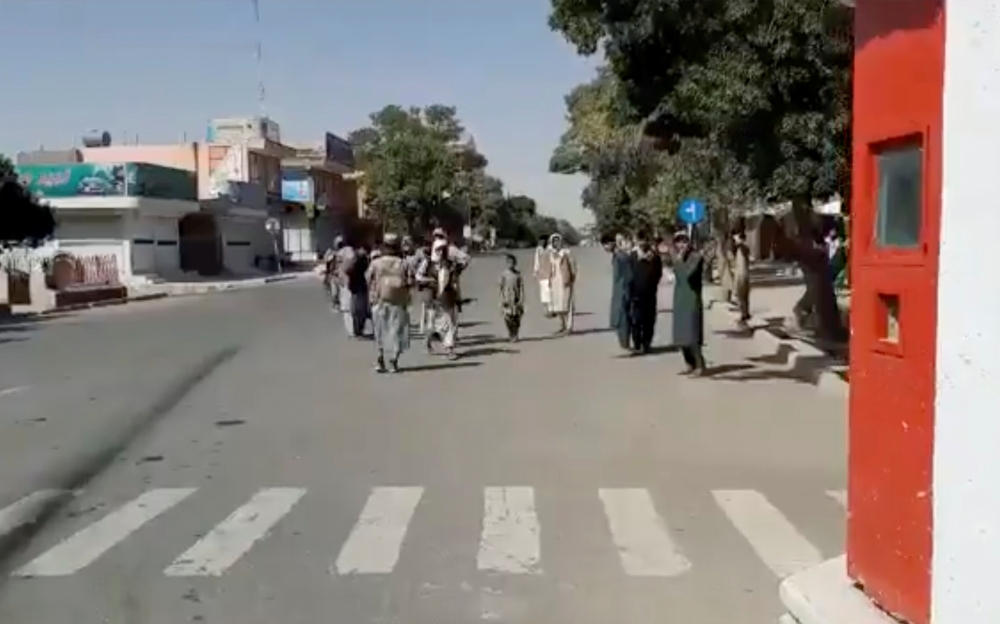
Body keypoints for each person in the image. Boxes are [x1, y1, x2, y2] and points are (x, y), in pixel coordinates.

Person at [366, 234, 411, 373]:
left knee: (380, 331)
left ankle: (380, 359)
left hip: (380, 301)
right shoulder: (403, 263)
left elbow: (368, 279)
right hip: (399, 303)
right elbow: (410, 281)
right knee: (397, 332)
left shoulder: (376, 263)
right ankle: (394, 361)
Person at [670, 230, 707, 376]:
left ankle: (699, 364)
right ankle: (689, 363)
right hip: (679, 298)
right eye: (678, 242)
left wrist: (679, 261)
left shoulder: (696, 257)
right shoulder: (677, 258)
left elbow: (688, 275)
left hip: (692, 299)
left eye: (684, 241)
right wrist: (677, 260)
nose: (681, 245)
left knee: (692, 334)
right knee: (681, 335)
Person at [417, 238, 460, 359]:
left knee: (449, 323)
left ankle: (450, 349)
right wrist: (429, 280)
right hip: (431, 297)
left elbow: (454, 281)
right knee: (431, 324)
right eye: (438, 250)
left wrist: (457, 296)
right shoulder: (428, 263)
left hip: (446, 297)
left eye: (443, 250)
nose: (440, 252)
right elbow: (418, 276)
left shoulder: (450, 264)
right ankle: (428, 343)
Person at [629, 233, 663, 354]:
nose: (643, 243)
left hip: (650, 293)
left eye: (645, 240)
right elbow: (628, 274)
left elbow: (659, 273)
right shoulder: (632, 257)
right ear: (637, 241)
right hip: (635, 294)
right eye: (641, 240)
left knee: (649, 320)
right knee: (636, 320)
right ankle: (637, 344)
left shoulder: (655, 257)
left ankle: (647, 343)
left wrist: (652, 284)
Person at [604, 233, 634, 351]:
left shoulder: (621, 257)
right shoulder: (617, 256)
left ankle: (625, 343)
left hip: (623, 290)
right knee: (620, 316)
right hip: (619, 289)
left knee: (623, 317)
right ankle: (625, 343)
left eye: (606, 244)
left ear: (612, 243)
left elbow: (628, 275)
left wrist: (626, 290)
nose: (605, 248)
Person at [547, 233, 576, 334]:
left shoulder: (566, 253)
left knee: (567, 303)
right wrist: (549, 279)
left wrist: (571, 279)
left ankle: (569, 326)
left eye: (558, 241)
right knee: (558, 305)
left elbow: (573, 267)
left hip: (565, 280)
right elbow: (550, 268)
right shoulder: (551, 254)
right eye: (554, 241)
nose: (556, 243)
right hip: (555, 280)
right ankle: (562, 325)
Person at [343, 244, 371, 338]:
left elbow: (347, 270)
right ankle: (359, 329)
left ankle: (357, 329)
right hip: (360, 284)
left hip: (354, 285)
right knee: (361, 308)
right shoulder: (362, 258)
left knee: (356, 308)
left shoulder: (355, 257)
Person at [498, 253, 525, 342]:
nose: (511, 264)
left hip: (516, 299)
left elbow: (521, 287)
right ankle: (511, 333)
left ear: (515, 263)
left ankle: (515, 333)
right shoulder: (504, 274)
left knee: (516, 318)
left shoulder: (518, 274)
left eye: (512, 262)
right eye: (509, 262)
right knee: (508, 318)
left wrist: (521, 299)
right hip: (507, 298)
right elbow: (500, 287)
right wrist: (502, 299)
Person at [732, 231, 752, 329]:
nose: (734, 239)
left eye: (736, 237)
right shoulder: (744, 248)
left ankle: (743, 316)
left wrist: (737, 241)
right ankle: (745, 314)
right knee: (744, 296)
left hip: (741, 275)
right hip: (744, 274)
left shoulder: (742, 248)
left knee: (740, 296)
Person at [533, 235, 553, 317]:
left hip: (550, 273)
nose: (542, 242)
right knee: (543, 292)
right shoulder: (538, 250)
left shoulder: (551, 249)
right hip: (542, 273)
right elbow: (536, 261)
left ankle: (551, 309)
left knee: (550, 291)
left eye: (543, 241)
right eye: (540, 241)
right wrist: (535, 271)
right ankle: (546, 310)